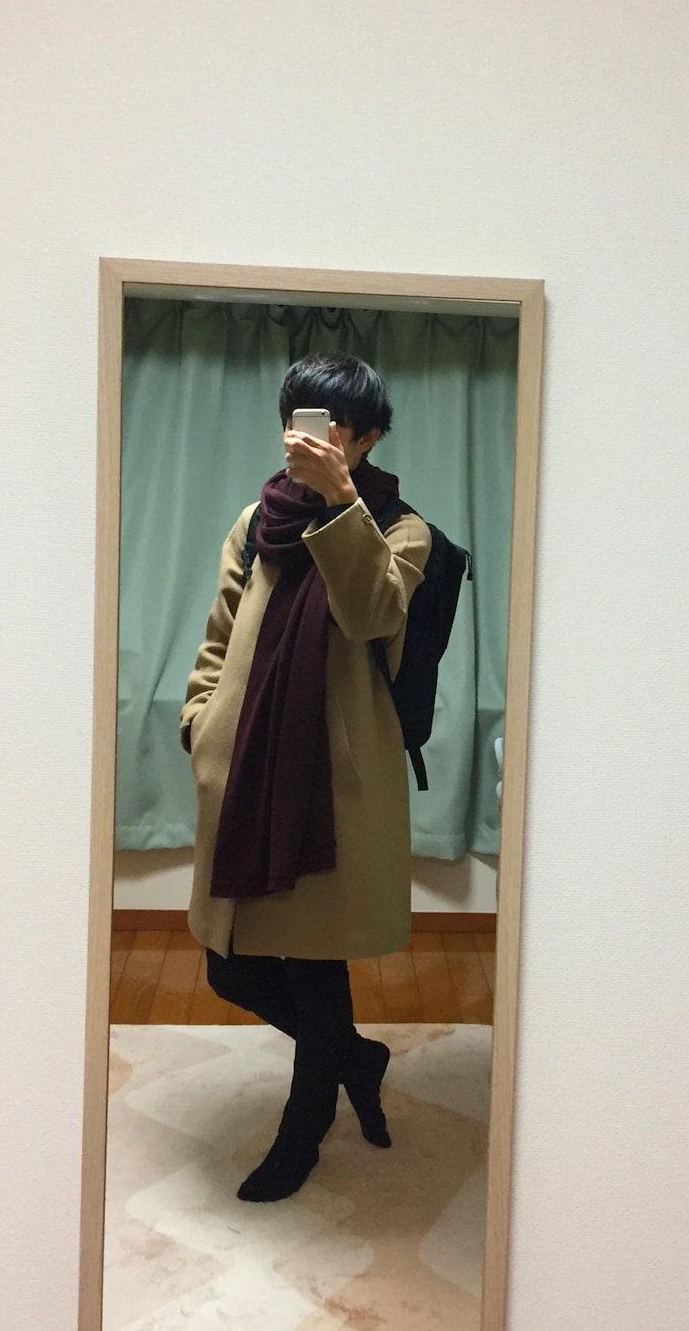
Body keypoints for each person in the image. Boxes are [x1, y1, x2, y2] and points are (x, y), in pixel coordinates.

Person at [180, 352, 431, 1202]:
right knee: (231, 966)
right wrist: (200, 721)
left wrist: (341, 504)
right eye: (299, 421)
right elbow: (220, 631)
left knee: (316, 966)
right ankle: (354, 1057)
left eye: (332, 427)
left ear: (366, 438)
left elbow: (370, 613)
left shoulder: (400, 529)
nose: (309, 440)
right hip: (246, 766)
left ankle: (303, 1132)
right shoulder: (257, 518)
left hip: (334, 786)